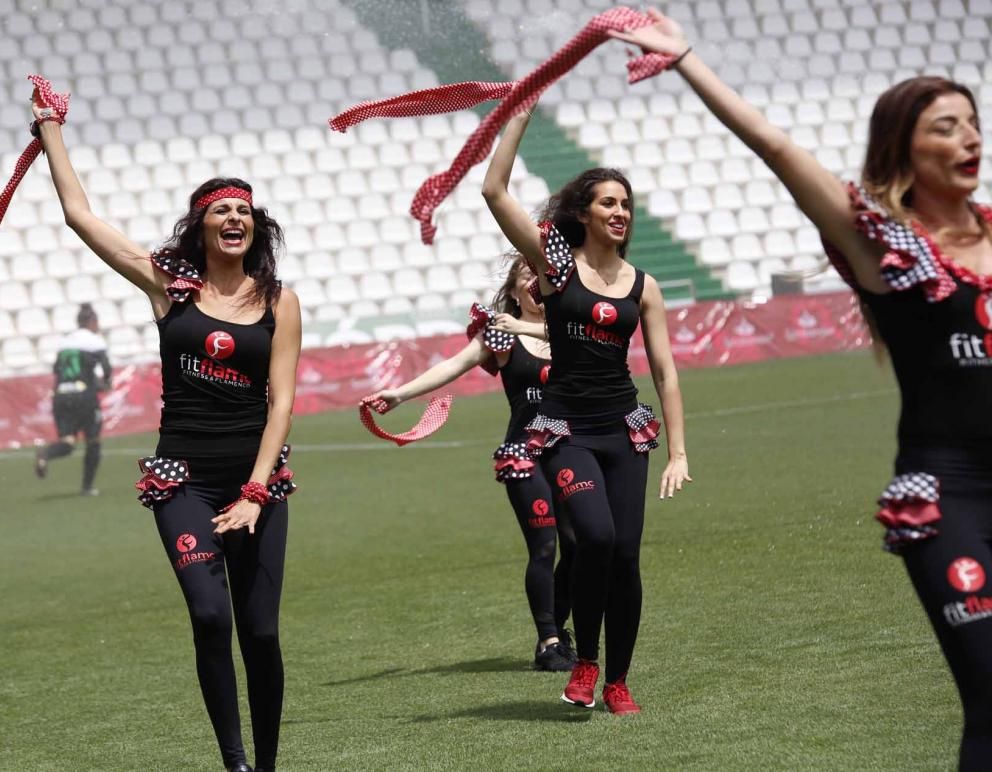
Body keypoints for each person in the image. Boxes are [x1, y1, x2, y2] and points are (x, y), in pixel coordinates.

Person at [611, 10, 990, 765]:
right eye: (945, 127)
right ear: (904, 149)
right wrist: (686, 58)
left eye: (973, 123)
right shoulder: (886, 244)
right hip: (950, 495)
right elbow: (776, 147)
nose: (969, 139)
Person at [31, 92, 301, 772]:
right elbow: (81, 217)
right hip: (184, 481)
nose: (234, 218)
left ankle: (266, 765)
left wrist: (256, 493)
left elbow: (283, 404)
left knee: (261, 633)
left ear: (254, 227)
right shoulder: (167, 290)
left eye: (243, 210)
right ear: (201, 228)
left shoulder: (279, 301)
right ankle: (235, 762)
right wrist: (50, 130)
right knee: (211, 616)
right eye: (221, 211)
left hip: (255, 485)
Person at [482, 104, 691, 713]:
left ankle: (618, 680)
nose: (620, 212)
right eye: (607, 202)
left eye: (625, 203)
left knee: (625, 555)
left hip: (624, 428)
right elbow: (494, 190)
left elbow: (664, 371)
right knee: (594, 536)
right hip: (567, 428)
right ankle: (587, 660)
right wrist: (517, 113)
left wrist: (678, 450)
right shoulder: (555, 268)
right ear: (582, 214)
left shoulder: (642, 285)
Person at [362, 255, 576, 671]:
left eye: (540, 272)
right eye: (524, 275)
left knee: (578, 545)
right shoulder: (500, 335)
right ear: (514, 291)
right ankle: (547, 640)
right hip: (526, 455)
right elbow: (453, 365)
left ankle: (561, 628)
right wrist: (400, 394)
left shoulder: (569, 329)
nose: (534, 279)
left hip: (573, 451)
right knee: (544, 545)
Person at [34, 302, 111, 495]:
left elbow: (57, 370)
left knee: (67, 443)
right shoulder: (94, 341)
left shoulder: (64, 342)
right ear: (92, 322)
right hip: (83, 396)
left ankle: (45, 454)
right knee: (93, 441)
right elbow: (106, 368)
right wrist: (105, 383)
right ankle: (87, 487)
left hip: (60, 395)